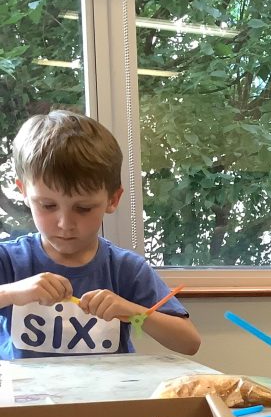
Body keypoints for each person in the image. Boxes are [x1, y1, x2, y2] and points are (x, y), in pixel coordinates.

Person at [0, 110, 200, 359]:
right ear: (24, 192)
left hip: (108, 398)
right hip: (26, 398)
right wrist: (10, 292)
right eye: (48, 206)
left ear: (113, 199)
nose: (65, 224)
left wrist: (132, 311)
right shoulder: (9, 260)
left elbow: (189, 342)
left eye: (83, 208)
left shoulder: (126, 268)